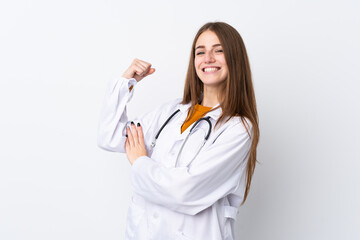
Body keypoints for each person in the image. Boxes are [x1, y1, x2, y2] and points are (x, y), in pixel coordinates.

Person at [97, 22, 260, 240]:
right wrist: (126, 83)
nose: (208, 58)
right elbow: (109, 136)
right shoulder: (171, 112)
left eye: (218, 50)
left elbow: (183, 191)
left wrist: (140, 162)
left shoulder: (238, 128)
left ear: (235, 58)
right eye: (200, 52)